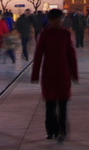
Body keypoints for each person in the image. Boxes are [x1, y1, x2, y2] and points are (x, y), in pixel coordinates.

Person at [31, 9, 78, 142]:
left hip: (63, 73)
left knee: (63, 105)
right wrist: (35, 75)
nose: (58, 21)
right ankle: (51, 130)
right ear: (51, 21)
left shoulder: (65, 34)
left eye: (60, 19)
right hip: (49, 74)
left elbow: (71, 55)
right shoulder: (45, 35)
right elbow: (38, 55)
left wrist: (74, 74)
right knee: (50, 105)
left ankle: (62, 130)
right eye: (55, 19)